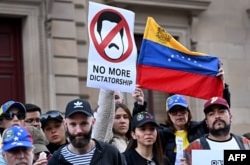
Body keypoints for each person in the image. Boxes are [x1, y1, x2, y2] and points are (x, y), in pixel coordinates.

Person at [132, 88, 208, 165]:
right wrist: (140, 104)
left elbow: (215, 117)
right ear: (169, 115)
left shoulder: (200, 128)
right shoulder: (162, 134)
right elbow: (140, 123)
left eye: (182, 110)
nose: (179, 114)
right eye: (174, 112)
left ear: (188, 112)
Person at [48, 98, 126, 165]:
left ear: (93, 122)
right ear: (65, 124)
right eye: (73, 124)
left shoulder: (110, 153)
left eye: (84, 123)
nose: (78, 130)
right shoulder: (56, 160)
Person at [183, 97, 250, 165]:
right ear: (206, 122)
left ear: (230, 117)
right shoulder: (194, 148)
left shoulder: (246, 144)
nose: (217, 116)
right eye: (211, 114)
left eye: (221, 112)